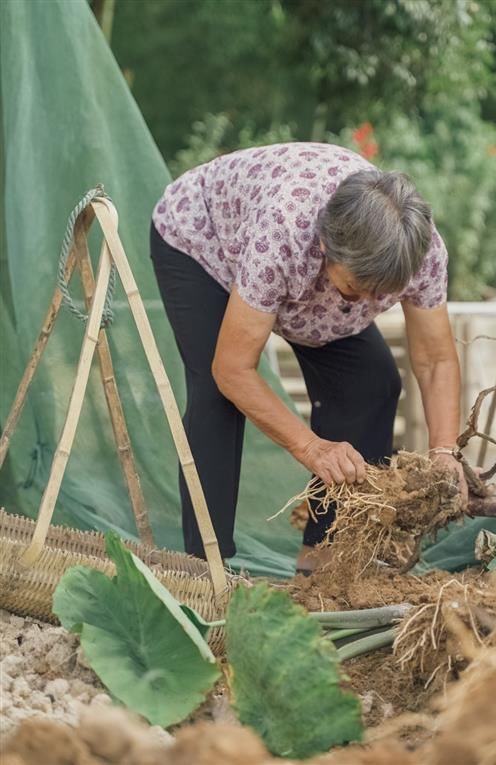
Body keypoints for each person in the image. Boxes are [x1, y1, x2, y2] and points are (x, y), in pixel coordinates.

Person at [150, 142, 466, 572]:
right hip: (204, 243)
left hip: (304, 281)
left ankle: (325, 561)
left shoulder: (419, 250)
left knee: (372, 385)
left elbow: (435, 360)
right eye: (359, 290)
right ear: (326, 246)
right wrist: (311, 448)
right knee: (218, 395)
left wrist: (445, 452)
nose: (370, 304)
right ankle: (204, 569)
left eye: (383, 294)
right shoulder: (283, 233)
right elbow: (232, 369)